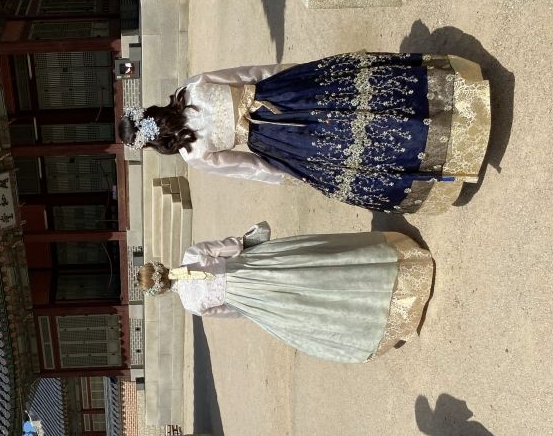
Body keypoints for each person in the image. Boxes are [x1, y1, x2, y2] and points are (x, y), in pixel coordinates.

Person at [118, 52, 491, 213]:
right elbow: (251, 73)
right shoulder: (194, 87)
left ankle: (452, 155)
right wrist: (298, 73)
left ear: (152, 142)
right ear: (151, 109)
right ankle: (455, 100)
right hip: (279, 94)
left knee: (360, 148)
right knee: (364, 99)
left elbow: (249, 167)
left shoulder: (192, 154)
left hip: (276, 139)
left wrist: (290, 170)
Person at [137, 228, 433, 363]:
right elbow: (231, 246)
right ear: (161, 266)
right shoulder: (191, 255)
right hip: (256, 265)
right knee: (318, 265)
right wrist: (249, 239)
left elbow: (230, 311)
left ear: (161, 292)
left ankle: (387, 313)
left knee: (315, 304)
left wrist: (259, 310)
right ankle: (392, 267)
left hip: (255, 301)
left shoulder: (190, 305)